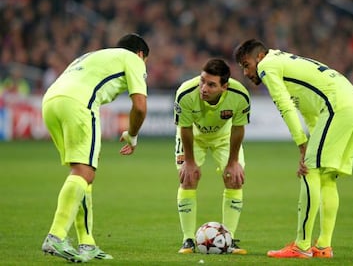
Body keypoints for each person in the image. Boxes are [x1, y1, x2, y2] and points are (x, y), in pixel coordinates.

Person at [234, 39, 353, 259]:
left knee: (309, 172)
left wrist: (302, 144)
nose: (246, 72)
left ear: (259, 57)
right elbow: (308, 111)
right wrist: (311, 145)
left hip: (338, 106)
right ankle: (323, 246)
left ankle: (302, 246)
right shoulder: (285, 61)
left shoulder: (268, 65)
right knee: (326, 177)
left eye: (246, 64)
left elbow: (284, 104)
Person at [41, 33, 149, 263]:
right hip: (79, 102)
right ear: (141, 54)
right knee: (84, 172)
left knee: (82, 172)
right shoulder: (134, 59)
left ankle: (87, 243)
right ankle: (56, 235)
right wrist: (132, 135)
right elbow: (139, 106)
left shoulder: (92, 55)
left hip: (50, 101)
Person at [174, 58, 250, 255]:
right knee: (188, 178)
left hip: (224, 138)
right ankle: (188, 239)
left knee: (234, 179)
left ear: (224, 87)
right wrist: (189, 162)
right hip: (193, 138)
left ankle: (229, 239)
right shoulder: (185, 93)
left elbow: (238, 128)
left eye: (211, 84)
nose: (203, 88)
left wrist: (233, 162)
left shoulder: (239, 95)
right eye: (202, 81)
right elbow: (185, 128)